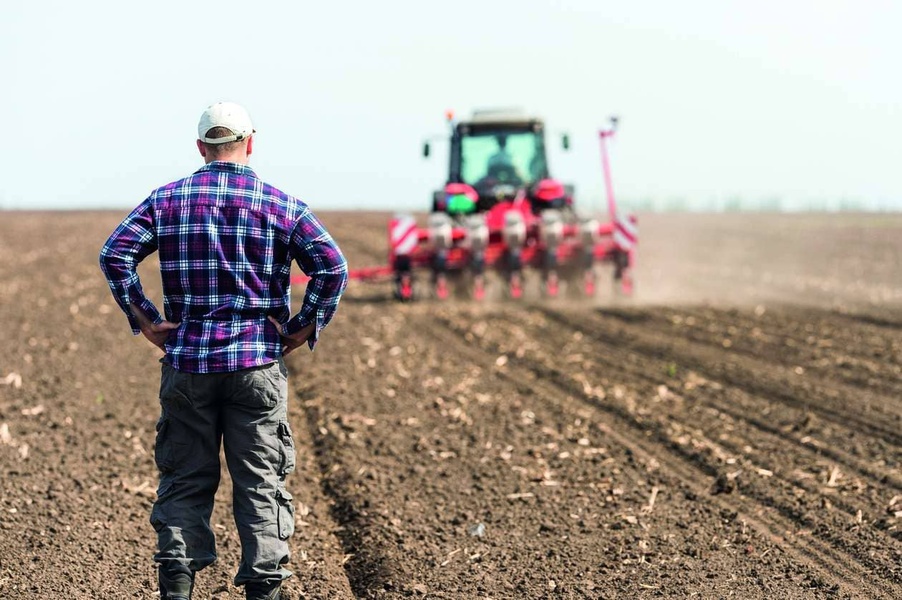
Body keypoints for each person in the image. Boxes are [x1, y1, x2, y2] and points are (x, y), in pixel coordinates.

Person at [99, 101, 348, 600]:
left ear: (201, 148)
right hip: (257, 363)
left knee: (185, 479)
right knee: (261, 482)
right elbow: (332, 267)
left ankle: (176, 586)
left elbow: (115, 254)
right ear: (250, 143)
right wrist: (300, 328)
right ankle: (265, 589)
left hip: (188, 365)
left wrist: (145, 319)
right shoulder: (281, 204)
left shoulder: (167, 200)